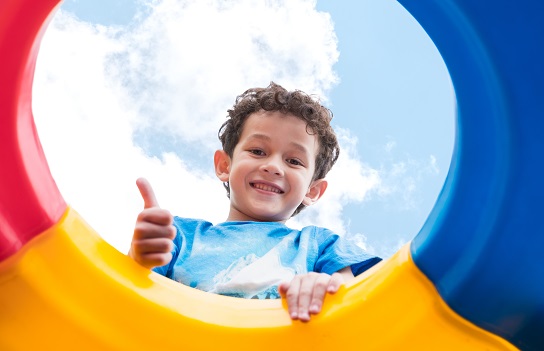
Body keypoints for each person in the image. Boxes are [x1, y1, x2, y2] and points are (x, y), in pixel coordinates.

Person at [129, 82, 381, 322]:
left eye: (294, 161)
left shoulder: (320, 245)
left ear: (313, 190)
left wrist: (329, 289)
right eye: (258, 151)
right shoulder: (179, 235)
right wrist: (141, 256)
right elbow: (131, 295)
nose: (273, 167)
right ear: (225, 165)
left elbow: (358, 297)